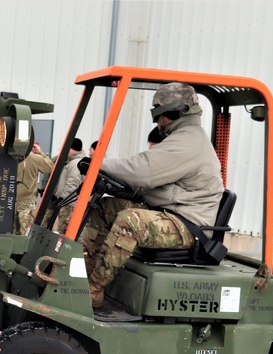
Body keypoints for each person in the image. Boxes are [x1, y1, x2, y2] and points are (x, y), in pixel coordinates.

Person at [84, 82, 224, 309]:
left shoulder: (189, 141)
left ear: (178, 112)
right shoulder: (180, 138)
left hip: (188, 226)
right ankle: (84, 277)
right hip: (170, 214)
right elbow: (151, 186)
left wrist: (97, 164)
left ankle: (93, 290)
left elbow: (144, 170)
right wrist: (116, 185)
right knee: (105, 207)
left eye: (161, 116)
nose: (158, 122)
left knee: (130, 221)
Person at [13, 142, 53, 235]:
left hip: (9, 201)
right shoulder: (33, 158)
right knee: (26, 233)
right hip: (26, 202)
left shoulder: (9, 157)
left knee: (12, 233)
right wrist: (40, 153)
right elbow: (50, 167)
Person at [51, 137, 86, 233]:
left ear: (70, 148)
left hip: (68, 204)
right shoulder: (73, 162)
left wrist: (62, 199)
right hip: (67, 202)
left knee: (64, 231)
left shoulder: (75, 164)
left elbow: (72, 184)